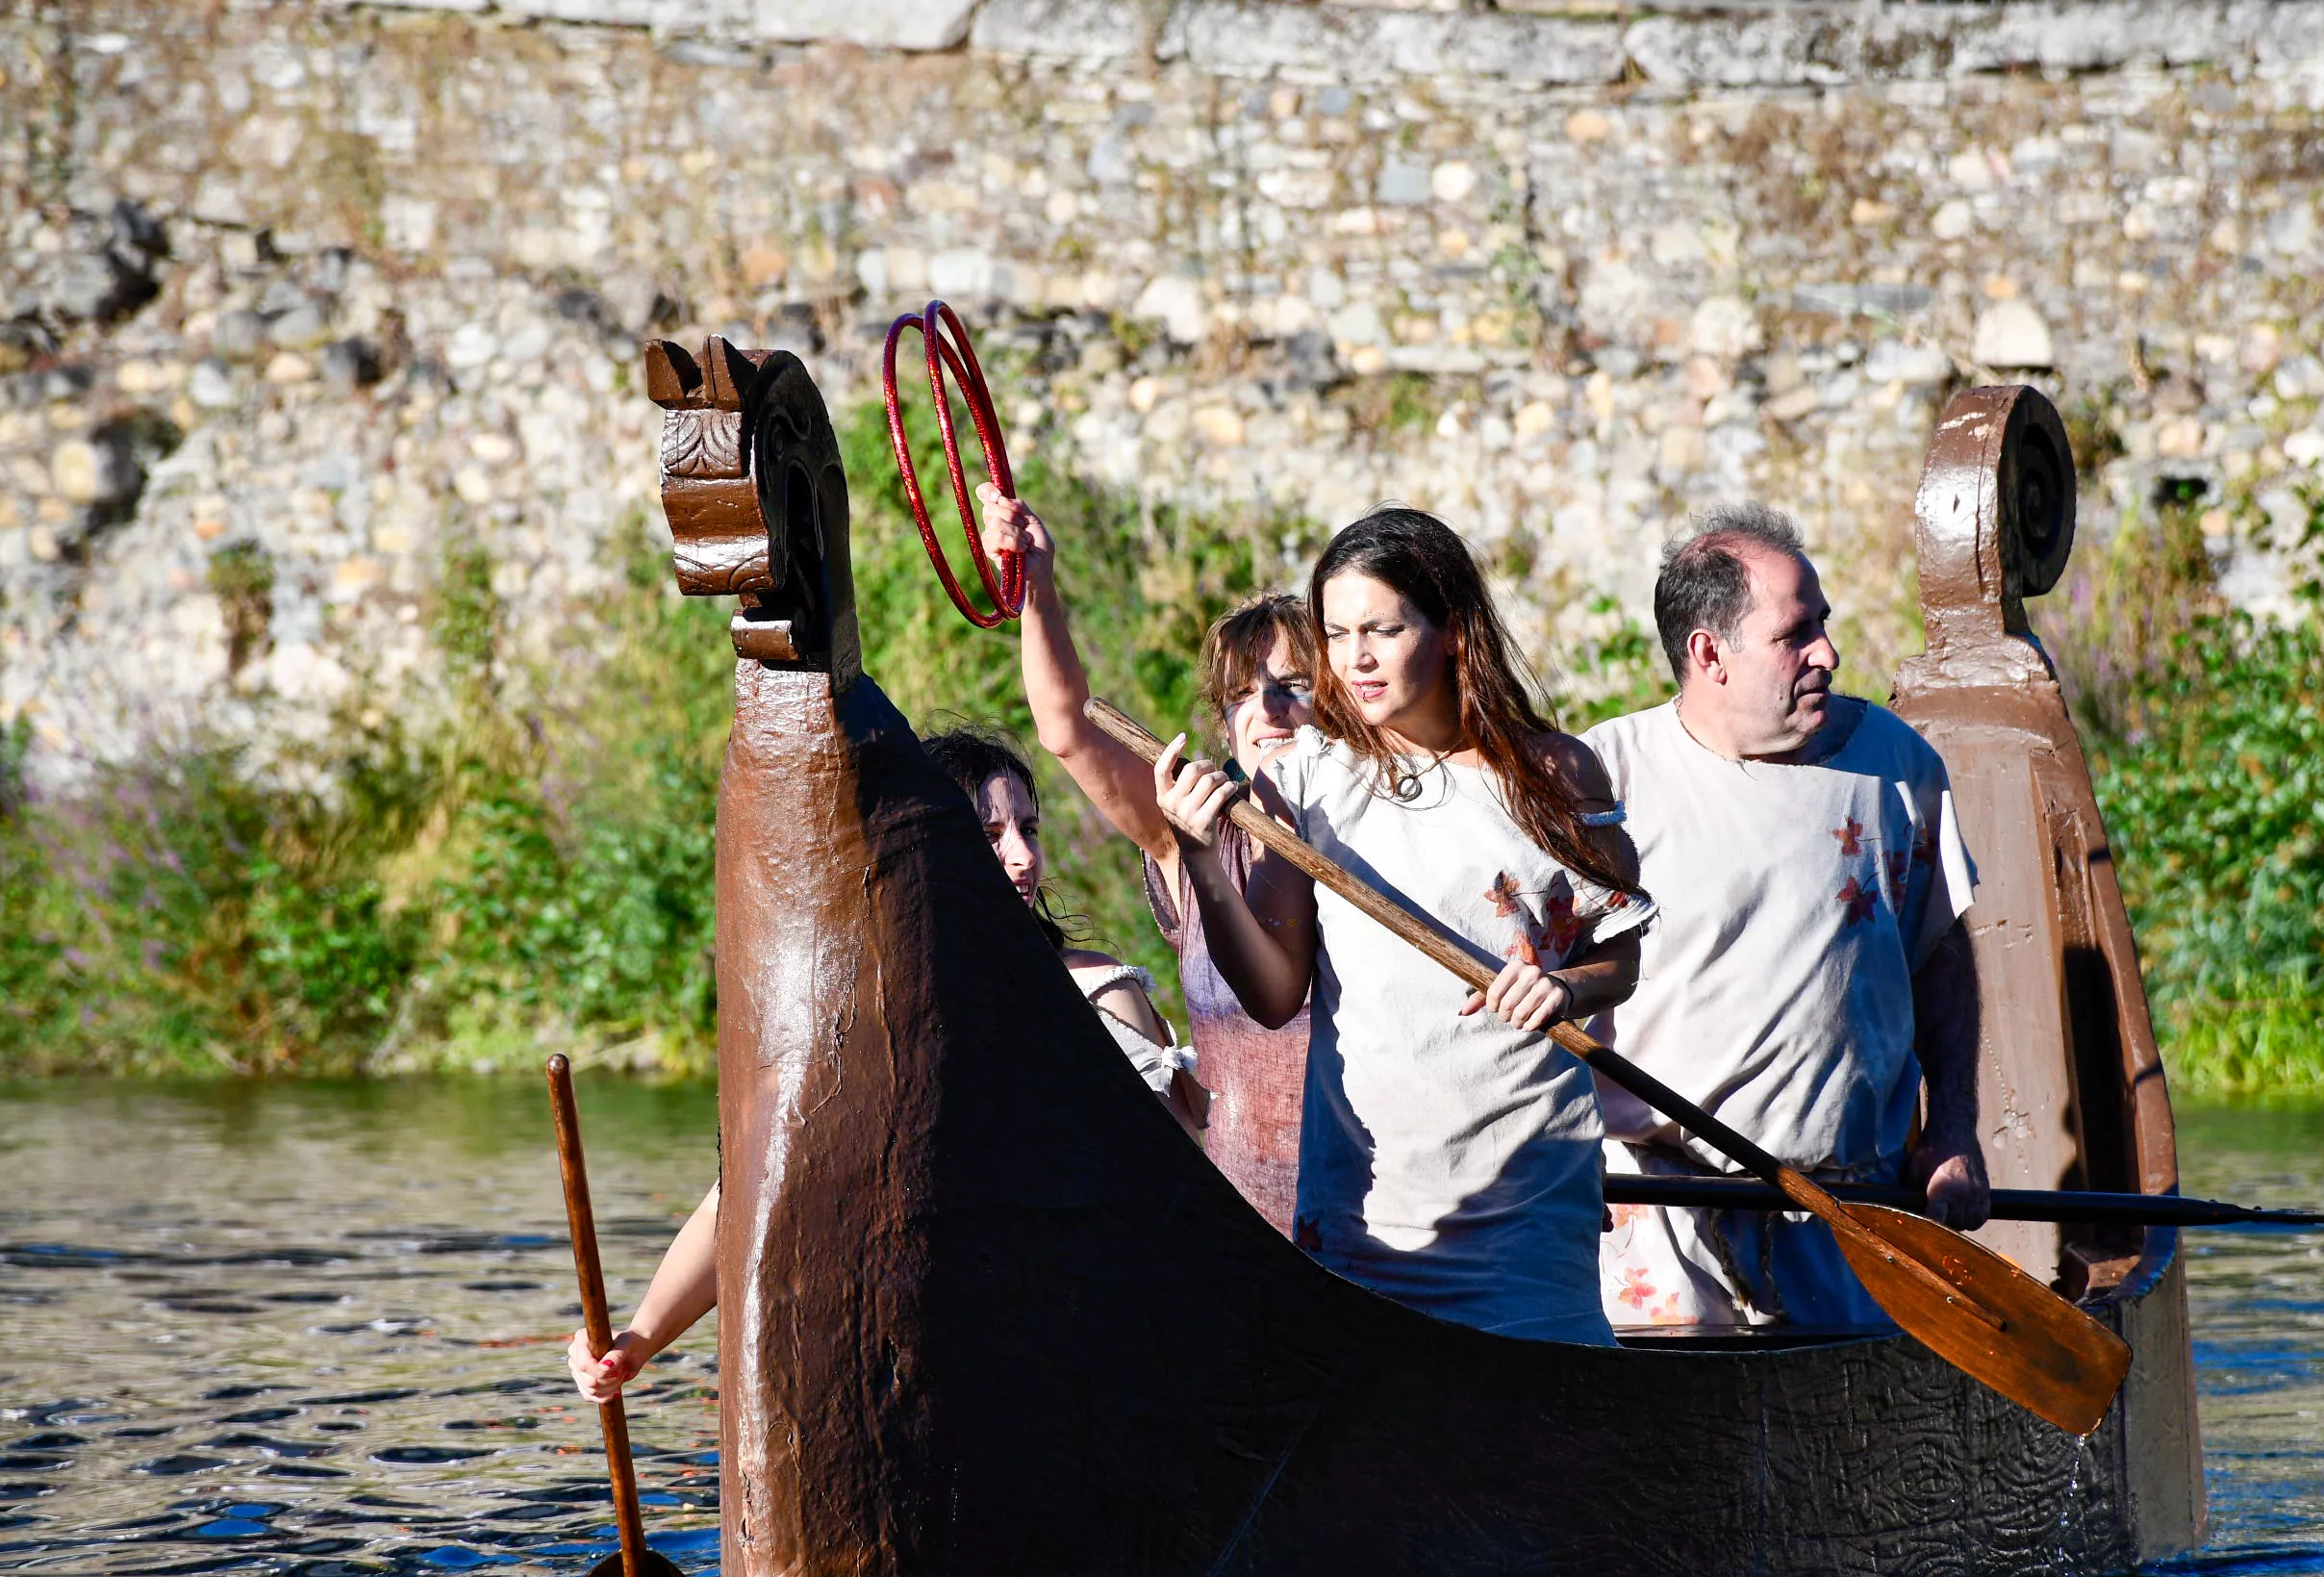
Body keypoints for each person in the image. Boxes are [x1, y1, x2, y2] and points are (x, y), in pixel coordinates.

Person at [565, 726, 1197, 1404]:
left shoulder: (1096, 990)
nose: (1022, 858)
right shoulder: (865, 1018)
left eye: (1030, 830)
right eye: (988, 834)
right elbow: (749, 1194)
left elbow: (1182, 1189)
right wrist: (638, 1341)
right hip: (938, 1356)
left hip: (1094, 1347)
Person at [1155, 507, 1656, 1346]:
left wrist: (1564, 986)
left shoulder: (1556, 772)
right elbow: (1276, 995)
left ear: (1452, 630)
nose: (1355, 659)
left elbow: (1622, 961)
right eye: (1338, 633)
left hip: (1526, 1206)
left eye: (1383, 630)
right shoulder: (1307, 778)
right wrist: (1203, 860)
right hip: (1369, 1213)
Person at [1582, 503, 1986, 1333]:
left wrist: (1951, 1131)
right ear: (1709, 653)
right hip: (1657, 1215)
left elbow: (1940, 956)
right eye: (1795, 634)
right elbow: (1543, 990)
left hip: (1852, 1211)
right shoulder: (1603, 782)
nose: (1827, 654)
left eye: (1823, 625)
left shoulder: (1896, 766)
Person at [976, 482, 1319, 1235]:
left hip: (1386, 1224)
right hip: (1246, 1229)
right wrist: (1037, 585)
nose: (1269, 707)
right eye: (1243, 693)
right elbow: (1066, 729)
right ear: (1225, 730)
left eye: (1294, 685)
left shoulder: (1381, 837)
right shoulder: (1184, 832)